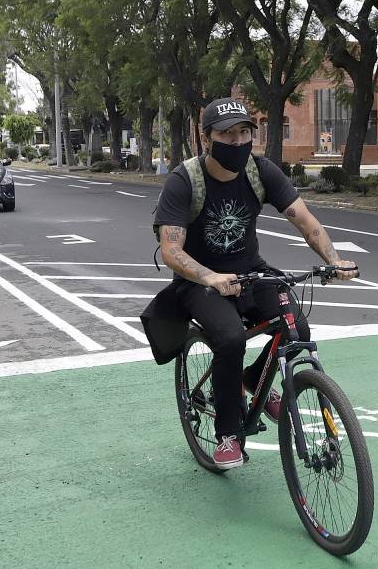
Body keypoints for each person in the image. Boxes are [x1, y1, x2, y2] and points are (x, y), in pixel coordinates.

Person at [143, 97, 357, 470]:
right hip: (199, 280)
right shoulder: (185, 180)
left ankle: (255, 375)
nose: (239, 142)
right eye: (228, 135)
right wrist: (209, 276)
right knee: (229, 339)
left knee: (296, 324)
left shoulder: (260, 172)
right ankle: (228, 435)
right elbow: (171, 249)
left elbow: (304, 220)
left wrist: (333, 260)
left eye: (245, 132)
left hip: (251, 270)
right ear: (207, 138)